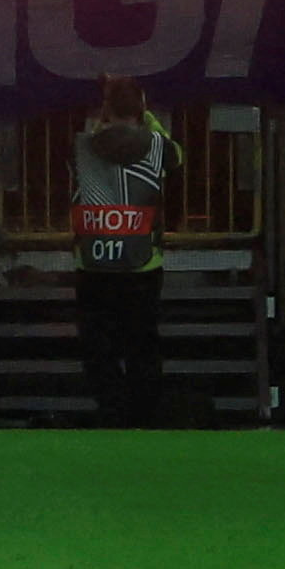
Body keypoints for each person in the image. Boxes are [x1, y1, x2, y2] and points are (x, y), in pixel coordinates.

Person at [69, 74, 176, 428]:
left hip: (94, 263)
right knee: (143, 347)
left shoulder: (81, 148)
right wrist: (149, 121)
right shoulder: (160, 147)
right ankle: (143, 417)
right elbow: (177, 159)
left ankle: (112, 414)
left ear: (105, 110)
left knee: (98, 348)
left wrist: (101, 120)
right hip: (142, 265)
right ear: (142, 109)